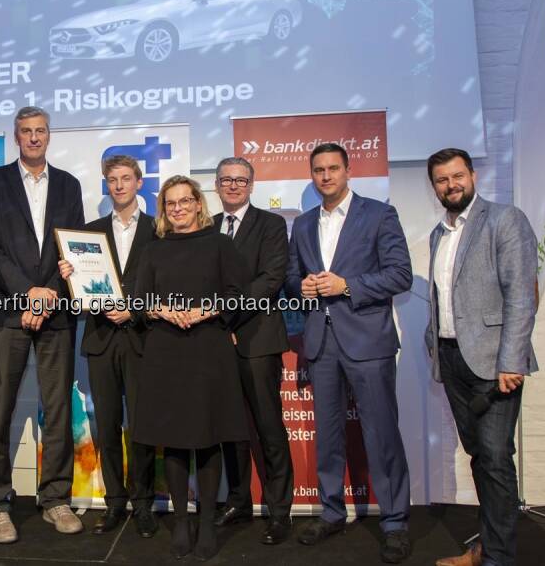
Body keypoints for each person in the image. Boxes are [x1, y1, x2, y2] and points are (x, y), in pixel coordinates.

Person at [285, 142, 413, 564]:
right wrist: (300, 287)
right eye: (318, 170)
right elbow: (291, 276)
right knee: (329, 436)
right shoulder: (302, 225)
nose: (326, 176)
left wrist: (349, 286)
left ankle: (394, 522)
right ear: (312, 175)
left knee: (382, 434)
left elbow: (400, 274)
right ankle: (332, 511)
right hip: (320, 343)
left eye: (333, 168)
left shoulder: (378, 214)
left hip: (368, 342)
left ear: (348, 170)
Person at [0, 106, 86, 542]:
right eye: (26, 132)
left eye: (41, 131)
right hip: (8, 311)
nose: (34, 138)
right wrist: (26, 293)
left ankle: (55, 499)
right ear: (16, 137)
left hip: (56, 310)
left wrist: (49, 294)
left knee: (58, 411)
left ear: (49, 136)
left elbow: (73, 247)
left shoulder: (68, 184)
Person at [425, 148, 538, 566]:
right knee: (480, 457)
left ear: (472, 175)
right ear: (434, 186)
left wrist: (513, 360)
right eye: (441, 180)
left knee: (494, 459)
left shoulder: (505, 219)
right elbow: (443, 297)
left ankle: (497, 558)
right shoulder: (440, 232)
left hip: (494, 362)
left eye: (457, 176)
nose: (451, 185)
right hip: (453, 359)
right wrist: (433, 345)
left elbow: (522, 295)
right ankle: (486, 549)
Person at [132, 175, 250, 561]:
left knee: (209, 436)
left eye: (185, 201)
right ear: (164, 210)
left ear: (199, 204)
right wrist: (164, 310)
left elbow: (238, 294)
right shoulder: (153, 250)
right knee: (176, 437)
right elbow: (139, 301)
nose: (179, 208)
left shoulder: (220, 244)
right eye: (171, 203)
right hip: (165, 350)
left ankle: (207, 520)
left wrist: (206, 310)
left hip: (209, 349)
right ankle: (181, 520)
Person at [57, 155, 159, 539]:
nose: (118, 185)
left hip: (141, 338)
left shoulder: (158, 229)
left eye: (125, 178)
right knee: (108, 424)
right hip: (100, 338)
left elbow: (163, 282)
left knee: (142, 425)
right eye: (112, 180)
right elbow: (80, 289)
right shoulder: (89, 234)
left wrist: (132, 310)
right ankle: (116, 503)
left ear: (138, 182)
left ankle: (144, 502)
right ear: (106, 184)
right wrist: (69, 275)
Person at [212, 157, 295, 545]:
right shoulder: (208, 227)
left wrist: (225, 318)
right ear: (216, 184)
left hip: (258, 339)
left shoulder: (271, 224)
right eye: (226, 180)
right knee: (230, 429)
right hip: (216, 344)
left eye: (240, 180)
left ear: (252, 184)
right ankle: (238, 501)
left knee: (268, 428)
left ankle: (280, 513)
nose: (233, 186)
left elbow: (271, 280)